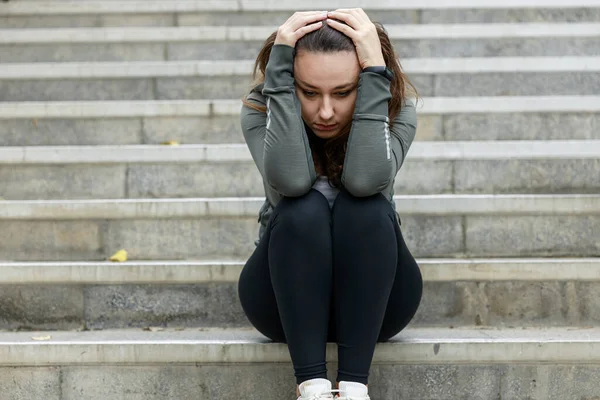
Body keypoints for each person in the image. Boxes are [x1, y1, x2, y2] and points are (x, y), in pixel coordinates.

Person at [237, 8, 423, 400]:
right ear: (289, 82)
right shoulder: (261, 109)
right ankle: (313, 386)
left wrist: (375, 75)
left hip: (380, 305)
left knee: (366, 207)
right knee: (301, 207)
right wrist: (281, 87)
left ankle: (355, 387)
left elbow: (365, 180)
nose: (325, 112)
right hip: (282, 304)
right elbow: (290, 181)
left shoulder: (396, 108)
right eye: (308, 92)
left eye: (342, 92)